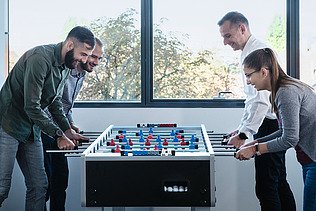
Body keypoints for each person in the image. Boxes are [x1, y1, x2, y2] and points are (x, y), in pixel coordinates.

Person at [0, 26, 95, 211]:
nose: (84, 60)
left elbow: (55, 102)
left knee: (39, 186)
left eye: (87, 55)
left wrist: (67, 130)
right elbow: (32, 106)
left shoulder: (67, 66)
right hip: (8, 125)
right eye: (83, 54)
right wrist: (58, 135)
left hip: (31, 129)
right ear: (69, 45)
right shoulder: (40, 58)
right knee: (2, 188)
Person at [217, 12, 296, 211]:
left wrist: (244, 134)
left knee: (267, 187)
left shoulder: (257, 51)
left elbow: (260, 101)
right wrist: (241, 129)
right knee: (278, 182)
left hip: (270, 125)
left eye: (228, 36)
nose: (225, 42)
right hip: (269, 123)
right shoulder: (249, 51)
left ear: (242, 28)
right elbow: (251, 99)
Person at [236, 47, 316, 211]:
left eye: (249, 75)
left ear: (264, 72)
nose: (249, 81)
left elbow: (290, 139)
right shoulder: (281, 90)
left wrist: (255, 150)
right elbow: (285, 130)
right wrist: (255, 142)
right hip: (309, 160)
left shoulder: (286, 92)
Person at [42, 37, 104, 211]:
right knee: (43, 186)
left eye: (99, 58)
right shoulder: (65, 70)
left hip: (61, 129)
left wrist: (70, 125)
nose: (95, 62)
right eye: (93, 56)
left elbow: (66, 105)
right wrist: (61, 132)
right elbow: (49, 103)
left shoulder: (81, 74)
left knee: (60, 182)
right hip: (45, 129)